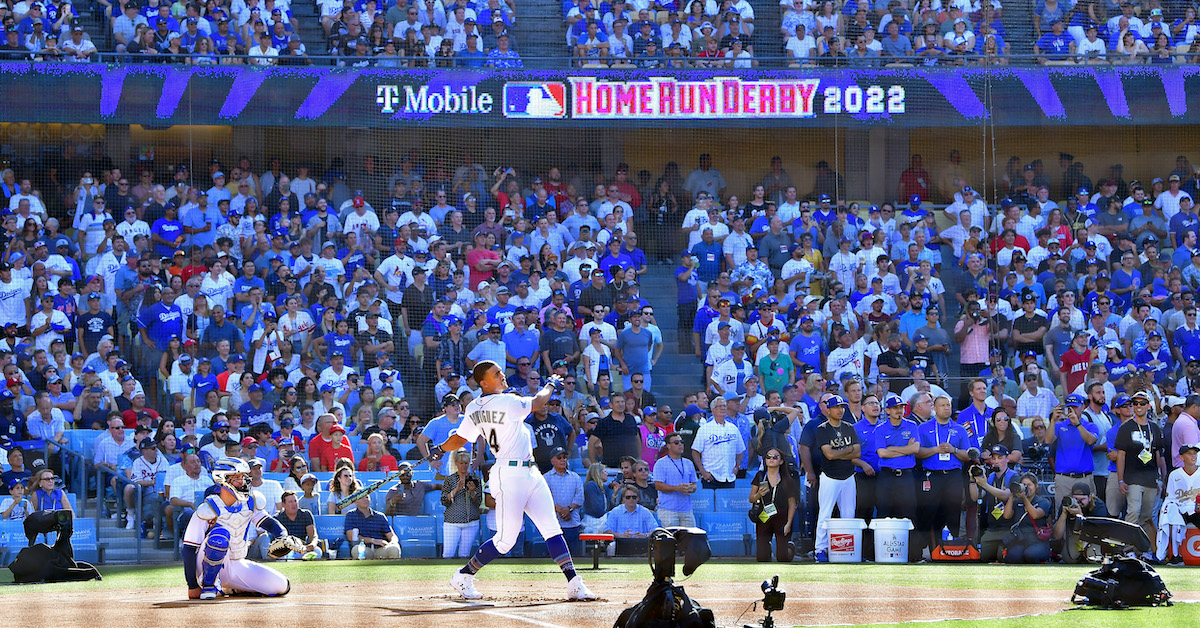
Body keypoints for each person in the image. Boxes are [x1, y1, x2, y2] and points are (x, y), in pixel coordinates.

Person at [428, 360, 596, 602]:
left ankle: (574, 583)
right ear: (484, 383)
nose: (502, 376)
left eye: (501, 372)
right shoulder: (506, 401)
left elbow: (461, 439)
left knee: (551, 528)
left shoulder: (475, 407)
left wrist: (441, 448)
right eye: (496, 375)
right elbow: (539, 402)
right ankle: (464, 575)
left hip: (530, 472)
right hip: (509, 473)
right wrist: (550, 383)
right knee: (506, 541)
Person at [181, 458, 294, 599]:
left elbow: (269, 523)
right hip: (205, 566)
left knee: (282, 586)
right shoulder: (207, 509)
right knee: (220, 536)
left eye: (243, 477)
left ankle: (231, 589)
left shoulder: (249, 502)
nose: (242, 481)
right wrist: (192, 585)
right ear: (222, 479)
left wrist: (283, 536)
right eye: (237, 478)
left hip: (237, 562)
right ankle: (209, 585)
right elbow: (189, 549)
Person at [813, 393, 859, 563]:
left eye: (841, 407)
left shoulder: (849, 427)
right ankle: (820, 549)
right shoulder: (823, 429)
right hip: (830, 476)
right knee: (825, 513)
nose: (840, 410)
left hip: (848, 475)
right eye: (836, 407)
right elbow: (830, 455)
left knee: (849, 514)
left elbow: (858, 452)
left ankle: (847, 550)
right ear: (829, 410)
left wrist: (840, 453)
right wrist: (847, 451)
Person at [969, 444, 1019, 562]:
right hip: (992, 528)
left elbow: (1006, 495)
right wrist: (972, 481)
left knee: (1002, 557)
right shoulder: (990, 477)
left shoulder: (1013, 476)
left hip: (1008, 528)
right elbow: (975, 497)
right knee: (984, 557)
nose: (996, 462)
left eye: (1000, 458)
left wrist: (984, 485)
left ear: (1007, 458)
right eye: (994, 458)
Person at [751, 446, 797, 563]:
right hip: (764, 514)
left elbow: (792, 504)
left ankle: (790, 547)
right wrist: (758, 495)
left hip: (782, 516)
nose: (771, 459)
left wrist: (789, 523)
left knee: (783, 558)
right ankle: (767, 550)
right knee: (762, 558)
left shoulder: (787, 479)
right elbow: (751, 499)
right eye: (768, 457)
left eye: (775, 457)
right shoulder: (760, 476)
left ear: (781, 461)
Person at [692, 396, 746, 488]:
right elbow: (695, 451)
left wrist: (737, 466)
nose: (723, 408)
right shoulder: (705, 428)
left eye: (724, 406)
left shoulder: (733, 428)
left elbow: (740, 450)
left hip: (729, 477)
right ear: (713, 410)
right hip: (711, 477)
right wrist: (703, 472)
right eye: (719, 406)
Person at [1158, 444, 1200, 563]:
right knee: (1172, 517)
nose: (1193, 456)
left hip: (1198, 510)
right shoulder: (1174, 474)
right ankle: (1176, 556)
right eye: (1189, 453)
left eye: (1194, 453)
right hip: (1181, 510)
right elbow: (1170, 499)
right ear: (1181, 458)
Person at [999, 473, 1052, 564]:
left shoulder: (1043, 501)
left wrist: (1024, 498)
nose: (1027, 488)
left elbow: (1035, 515)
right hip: (1021, 540)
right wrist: (1012, 496)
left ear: (1036, 486)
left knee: (1030, 555)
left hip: (1038, 540)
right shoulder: (1017, 502)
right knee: (1013, 557)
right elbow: (1006, 515)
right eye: (1024, 485)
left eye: (1029, 485)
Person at [1052, 481, 1110, 564]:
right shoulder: (1067, 503)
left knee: (1094, 559)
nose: (1078, 503)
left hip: (1095, 538)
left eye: (1082, 499)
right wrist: (1064, 513)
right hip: (1076, 536)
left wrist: (1080, 515)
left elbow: (1099, 532)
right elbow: (1057, 536)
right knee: (1069, 559)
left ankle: (1086, 555)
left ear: (1089, 498)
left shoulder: (1099, 506)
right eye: (1075, 499)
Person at [440, 450, 483, 559]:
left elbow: (478, 502)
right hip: (452, 522)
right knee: (448, 554)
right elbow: (444, 501)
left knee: (464, 555)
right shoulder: (449, 479)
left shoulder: (475, 478)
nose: (463, 466)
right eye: (461, 463)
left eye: (465, 463)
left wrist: (472, 492)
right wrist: (456, 490)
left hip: (471, 523)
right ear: (456, 463)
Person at [544, 446, 585, 554]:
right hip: (553, 524)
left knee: (574, 557)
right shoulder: (546, 478)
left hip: (572, 523)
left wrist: (568, 509)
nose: (563, 460)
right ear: (552, 460)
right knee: (554, 557)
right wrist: (559, 510)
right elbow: (544, 499)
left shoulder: (575, 477)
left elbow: (580, 497)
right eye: (559, 457)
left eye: (564, 457)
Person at [343, 494, 402, 559]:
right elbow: (351, 537)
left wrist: (392, 543)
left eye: (367, 497)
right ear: (355, 502)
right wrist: (372, 540)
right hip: (364, 548)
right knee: (356, 550)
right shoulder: (351, 515)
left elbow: (392, 536)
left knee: (394, 548)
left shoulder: (380, 516)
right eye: (361, 498)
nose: (365, 499)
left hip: (381, 549)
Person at [275, 491, 321, 560]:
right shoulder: (277, 518)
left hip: (303, 549)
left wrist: (313, 544)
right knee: (281, 556)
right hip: (286, 550)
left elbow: (313, 535)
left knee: (318, 551)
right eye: (290, 502)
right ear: (283, 505)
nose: (294, 504)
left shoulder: (306, 514)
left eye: (295, 501)